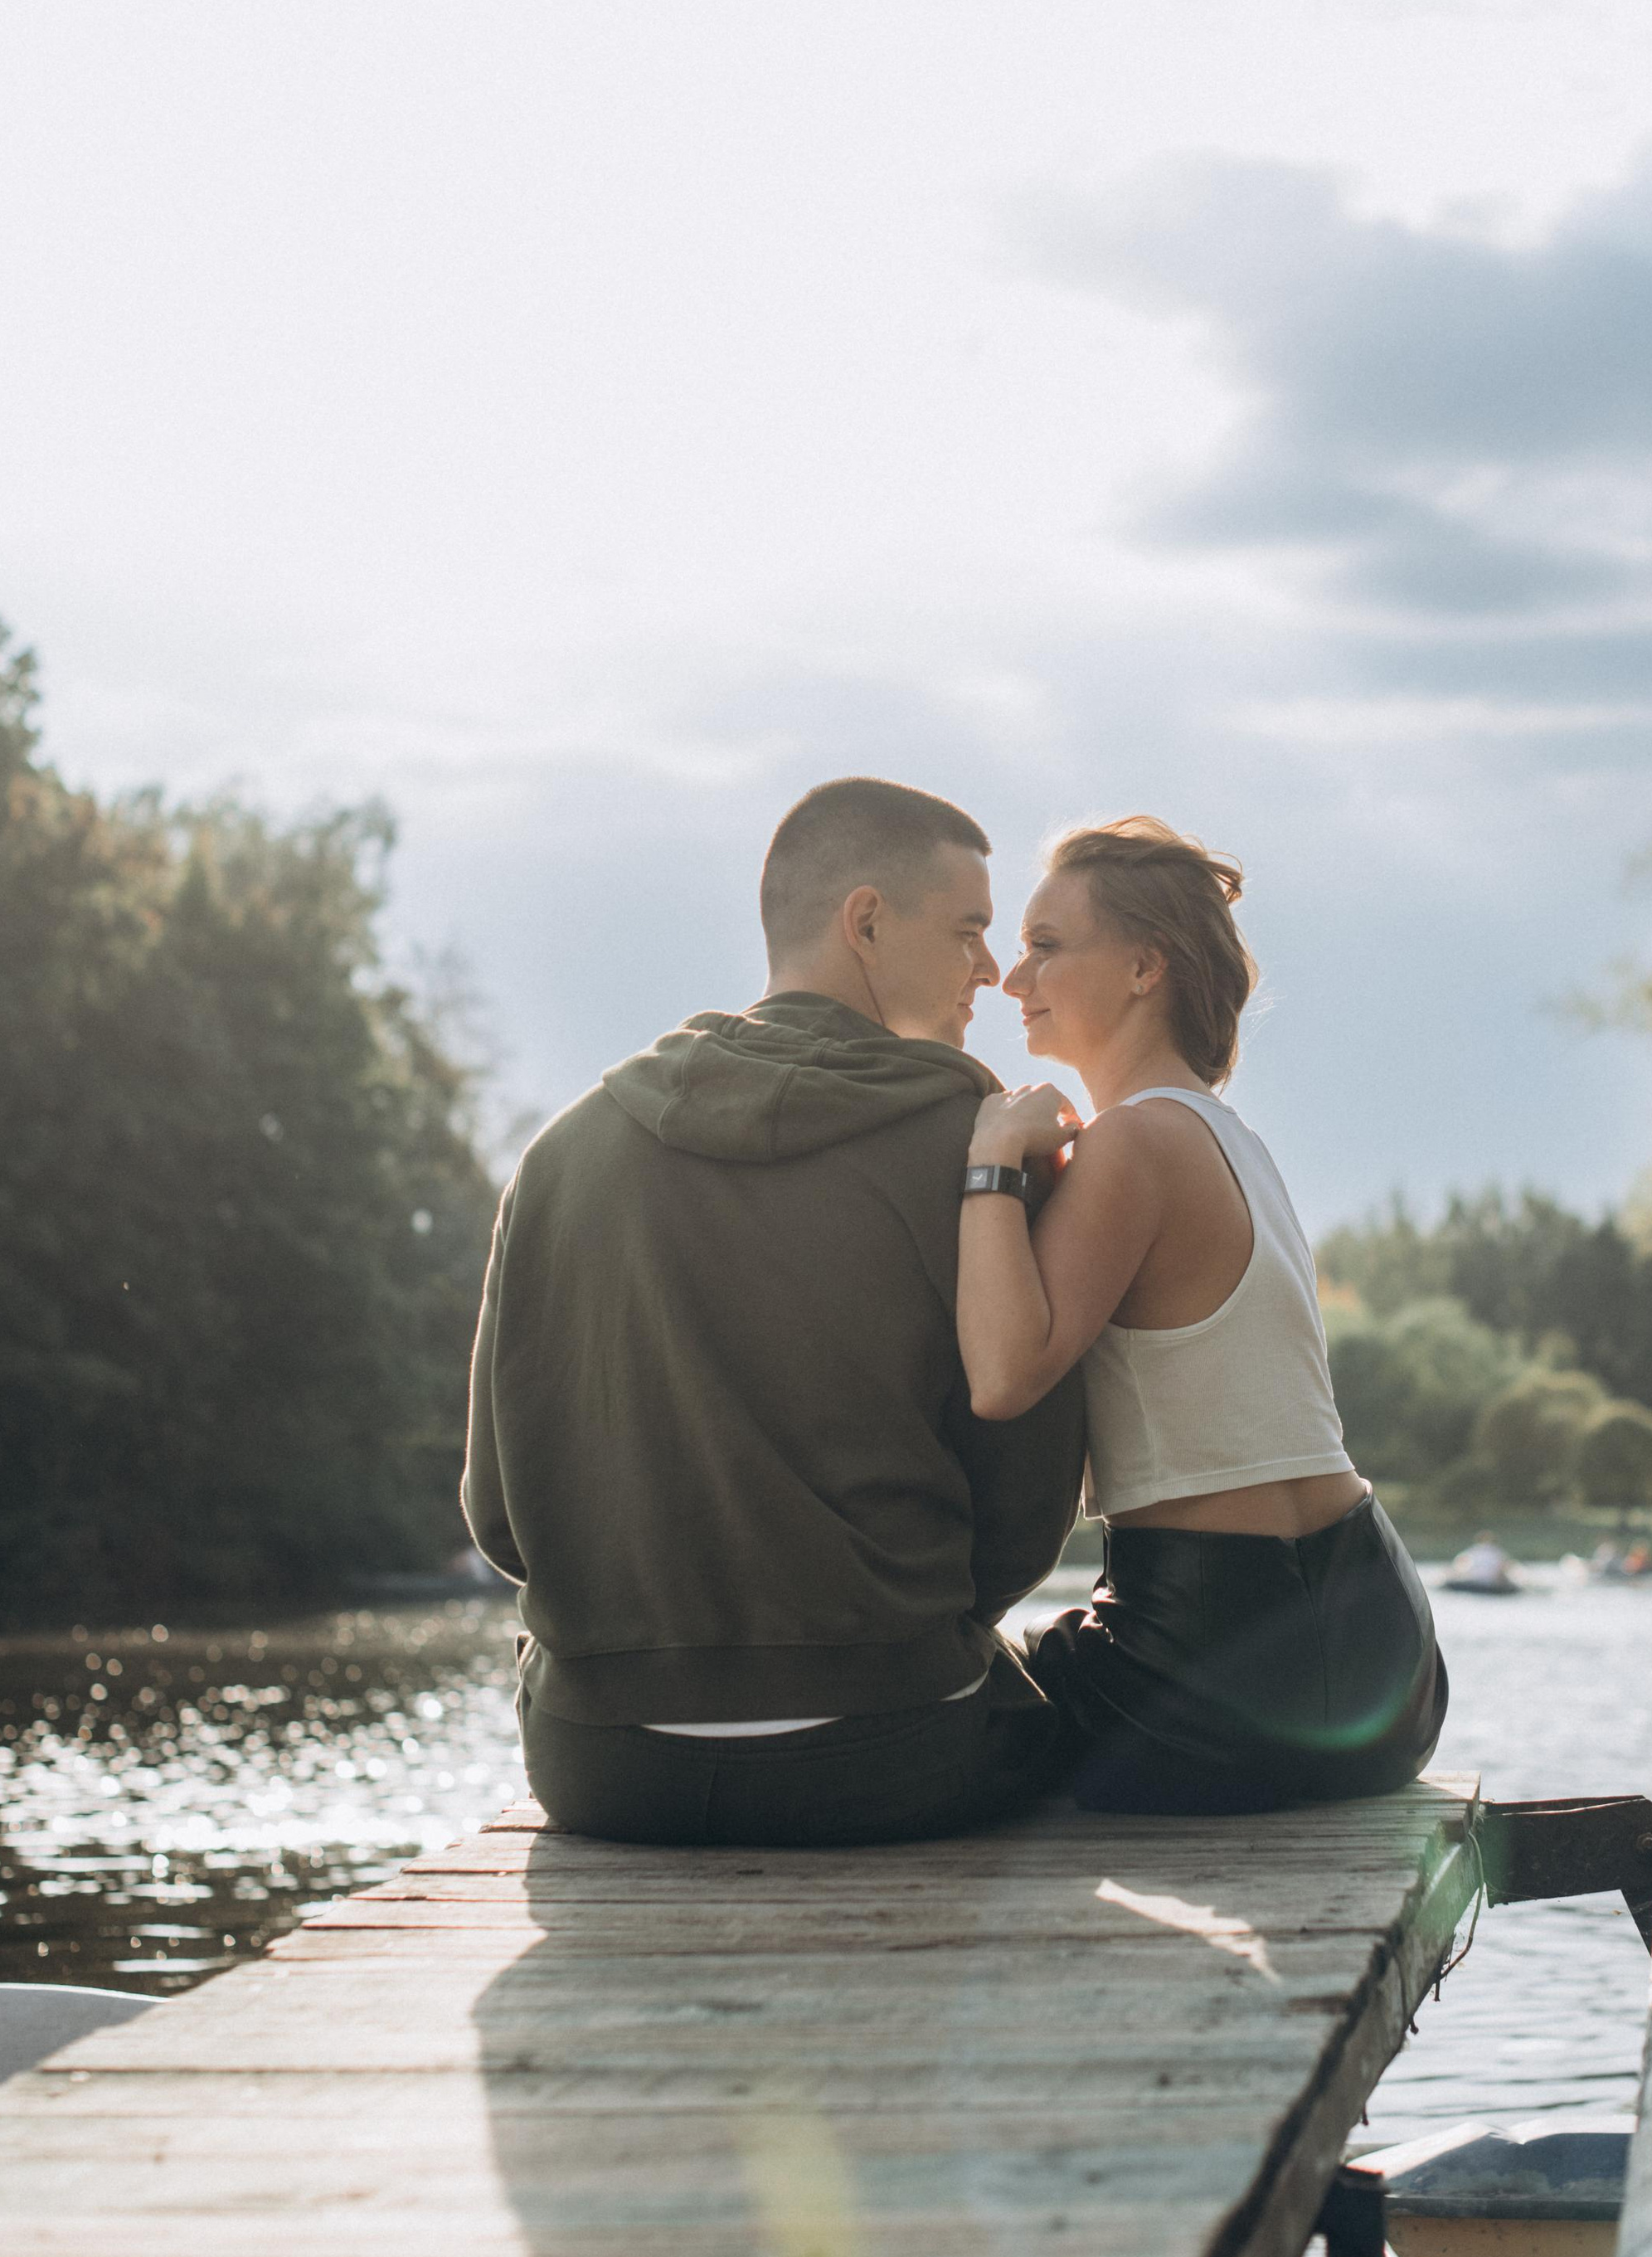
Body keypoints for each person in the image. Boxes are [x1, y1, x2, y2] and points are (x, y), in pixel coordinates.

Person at [464, 777, 1086, 1846]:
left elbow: (500, 1522)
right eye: (971, 930)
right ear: (866, 922)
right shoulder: (977, 1150)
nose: (991, 968)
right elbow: (1027, 1514)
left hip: (606, 1766)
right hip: (893, 1752)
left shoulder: (561, 1157)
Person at [956, 817, 1446, 1814]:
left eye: (1046, 946)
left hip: (1214, 1677)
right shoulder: (1231, 1140)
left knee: (913, 1710)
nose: (1013, 981)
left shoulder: (1131, 1145)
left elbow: (1005, 1377)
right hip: (1386, 1664)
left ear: (1144, 968)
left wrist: (990, 1161)